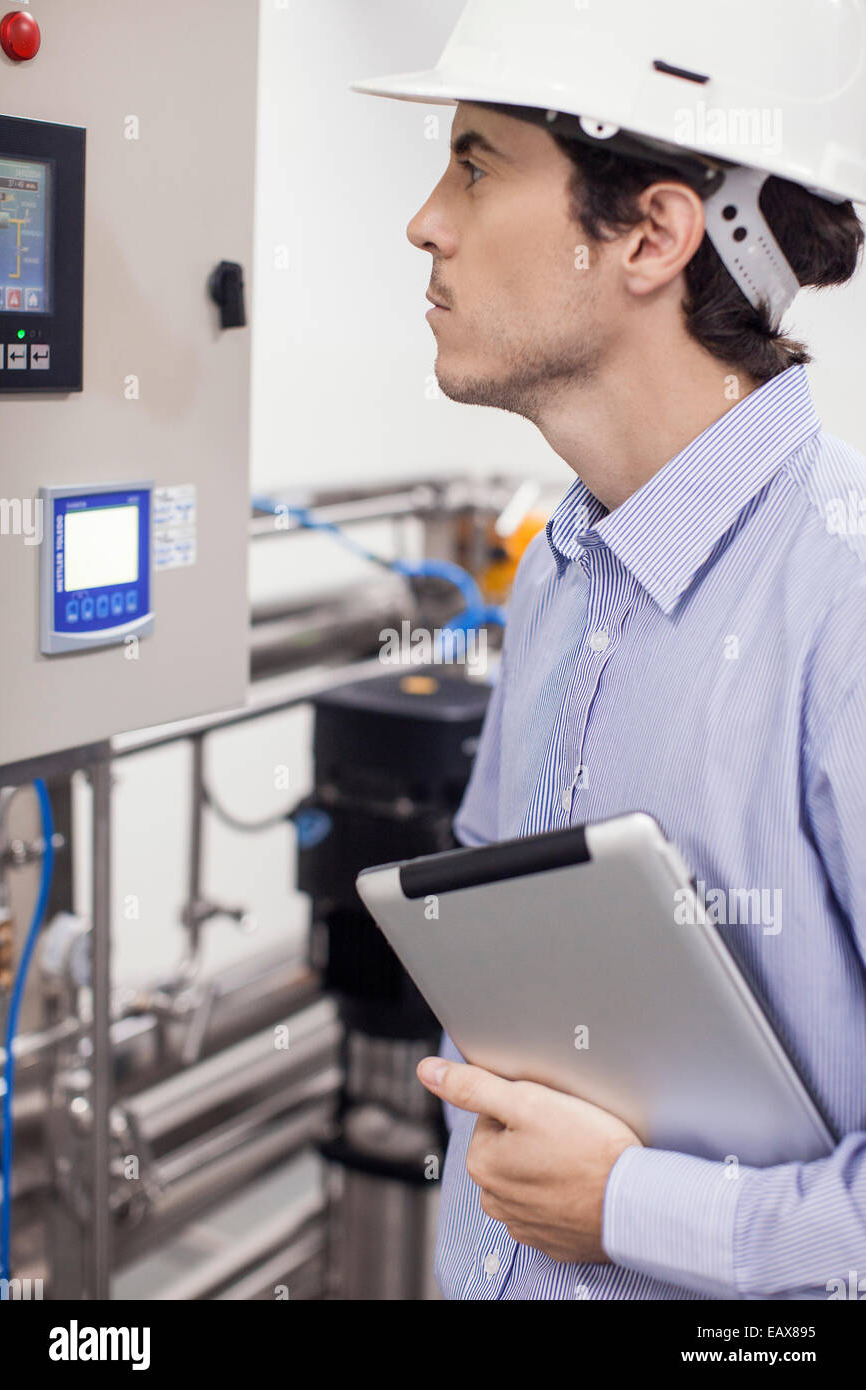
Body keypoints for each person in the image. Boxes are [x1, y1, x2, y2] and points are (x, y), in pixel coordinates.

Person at [351, 0, 866, 1299]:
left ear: (648, 235)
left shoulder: (844, 602)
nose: (427, 219)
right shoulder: (559, 575)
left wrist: (639, 1207)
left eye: (475, 164)